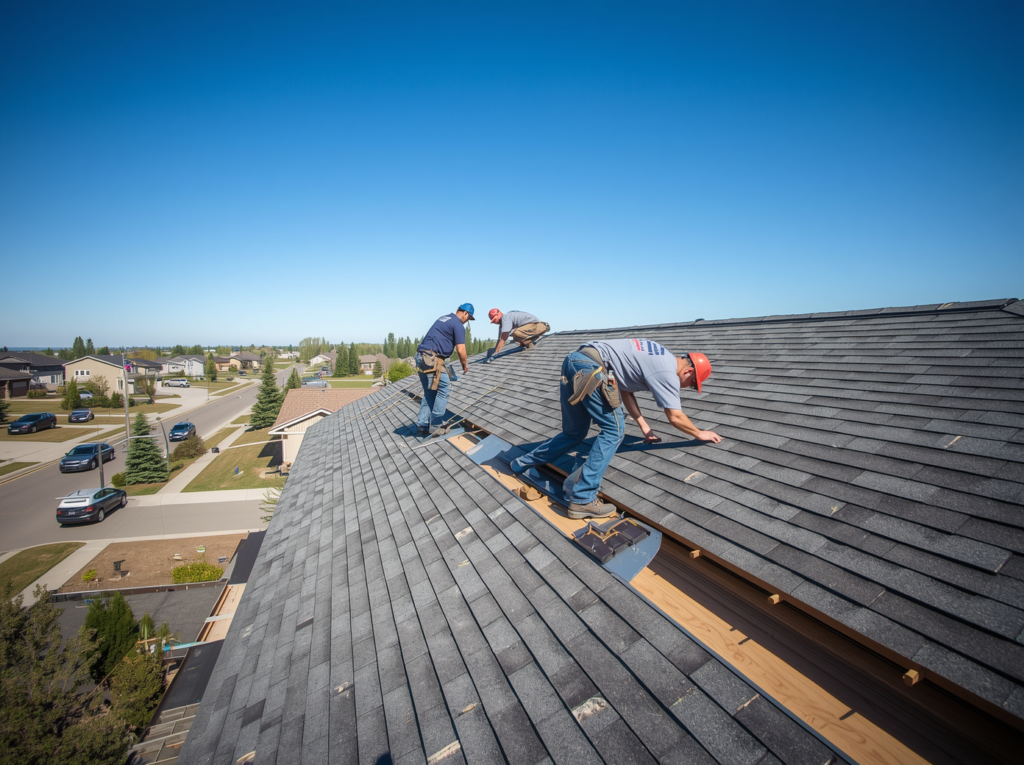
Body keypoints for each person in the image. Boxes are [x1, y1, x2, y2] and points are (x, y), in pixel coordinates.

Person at [510, 339, 721, 518]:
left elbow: (626, 391)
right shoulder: (667, 371)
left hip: (575, 361)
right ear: (689, 371)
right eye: (693, 384)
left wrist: (645, 428)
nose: (688, 387)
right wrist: (698, 432)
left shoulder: (659, 353)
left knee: (574, 433)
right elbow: (675, 416)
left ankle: (520, 463)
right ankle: (583, 498)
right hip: (591, 368)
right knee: (613, 431)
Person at [414, 304, 475, 435]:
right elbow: (461, 349)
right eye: (468, 318)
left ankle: (423, 424)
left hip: (421, 356)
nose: (467, 321)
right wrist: (464, 365)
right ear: (465, 313)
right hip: (431, 358)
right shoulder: (458, 324)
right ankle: (436, 424)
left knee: (430, 392)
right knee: (444, 388)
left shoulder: (444, 318)